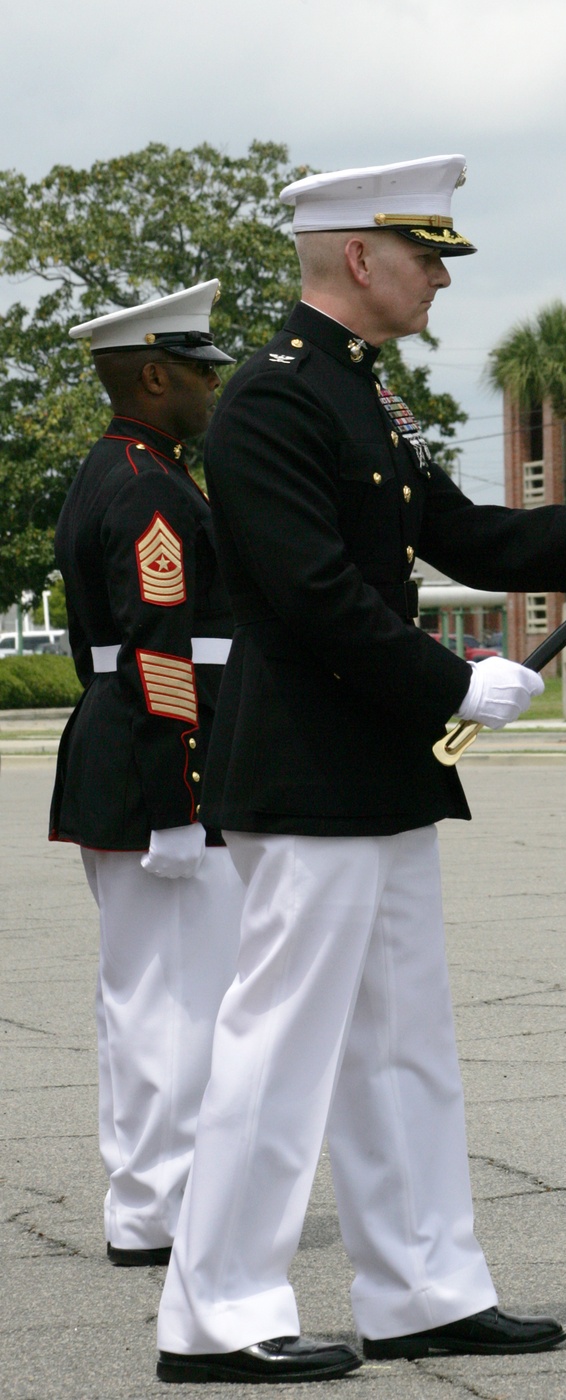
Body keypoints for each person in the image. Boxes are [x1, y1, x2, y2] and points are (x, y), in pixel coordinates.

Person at [155, 155, 566, 1385]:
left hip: (377, 770)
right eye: (425, 257)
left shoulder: (367, 394)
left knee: (403, 1038)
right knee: (280, 1041)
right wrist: (452, 681)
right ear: (359, 256)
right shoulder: (271, 399)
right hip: (306, 770)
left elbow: (459, 530)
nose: (439, 280)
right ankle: (215, 1309)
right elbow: (306, 595)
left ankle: (423, 1286)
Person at [49, 283, 244, 1267]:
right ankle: (160, 1207)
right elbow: (159, 648)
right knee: (173, 1000)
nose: (214, 389)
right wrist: (183, 800)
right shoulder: (148, 487)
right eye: (201, 373)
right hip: (153, 768)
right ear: (154, 375)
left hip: (127, 756)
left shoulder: (125, 470)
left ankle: (153, 1194)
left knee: (146, 995)